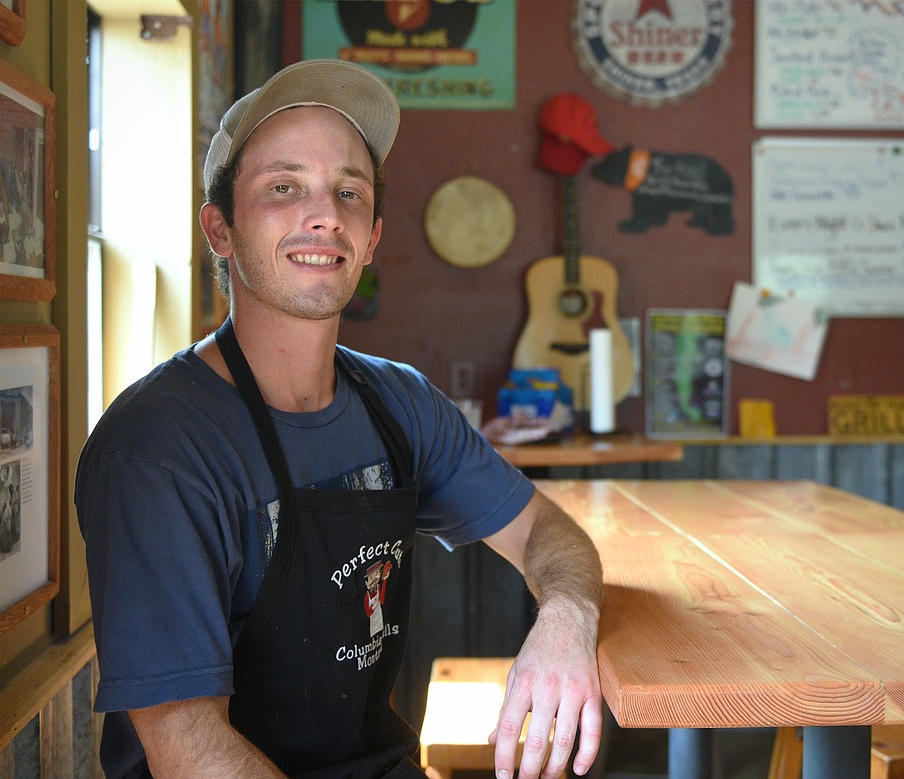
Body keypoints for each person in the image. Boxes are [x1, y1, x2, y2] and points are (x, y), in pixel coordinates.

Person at [75, 58, 604, 779]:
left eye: (348, 191)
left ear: (373, 236)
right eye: (283, 186)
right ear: (220, 230)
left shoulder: (400, 403)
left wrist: (566, 619)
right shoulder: (156, 448)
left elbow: (547, 530)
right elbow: (188, 750)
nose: (323, 213)